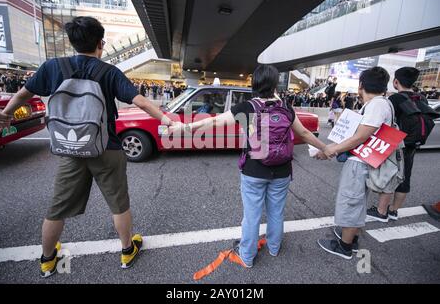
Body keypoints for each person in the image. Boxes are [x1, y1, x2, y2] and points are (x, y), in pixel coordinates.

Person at [0, 16, 178, 278]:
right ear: (100, 43)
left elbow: (23, 94)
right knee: (119, 204)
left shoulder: (53, 67)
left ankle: (47, 260)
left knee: (57, 208)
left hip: (69, 148)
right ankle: (127, 250)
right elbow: (142, 102)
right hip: (107, 147)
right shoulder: (108, 72)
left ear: (72, 41)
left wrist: (7, 114)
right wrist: (169, 121)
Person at [170, 64, 327, 268]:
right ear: (274, 83)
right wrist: (327, 148)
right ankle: (274, 247)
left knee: (252, 216)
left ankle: (247, 256)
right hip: (282, 170)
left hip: (254, 170)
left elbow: (215, 121)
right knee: (276, 212)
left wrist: (185, 127)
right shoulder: (286, 107)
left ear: (255, 83)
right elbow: (305, 133)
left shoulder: (248, 107)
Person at [317, 67, 392, 259]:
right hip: (366, 159)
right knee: (357, 200)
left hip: (360, 162)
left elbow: (360, 137)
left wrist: (332, 149)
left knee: (351, 201)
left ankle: (345, 246)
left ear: (361, 86)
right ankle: (352, 237)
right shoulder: (380, 103)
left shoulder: (377, 105)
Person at [366, 67, 435, 222]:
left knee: (389, 174)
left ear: (396, 82)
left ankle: (381, 211)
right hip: (412, 144)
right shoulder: (422, 98)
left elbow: (385, 123)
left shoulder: (394, 100)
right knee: (405, 176)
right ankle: (393, 210)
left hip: (395, 143)